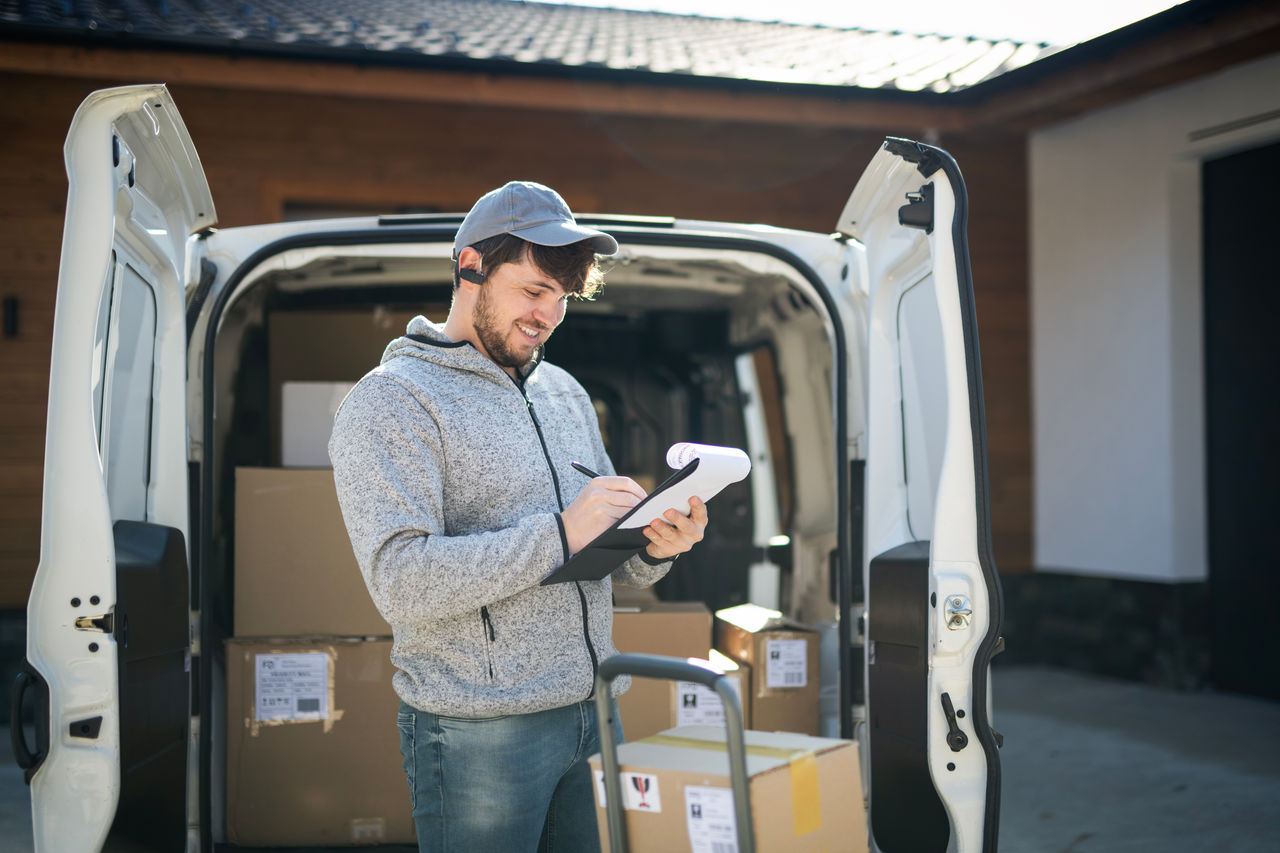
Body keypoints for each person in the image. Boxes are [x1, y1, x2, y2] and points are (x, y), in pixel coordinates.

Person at [328, 180, 709, 852]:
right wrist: (562, 531)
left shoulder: (565, 393)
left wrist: (655, 546)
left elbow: (599, 562)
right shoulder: (391, 402)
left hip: (594, 710)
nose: (549, 315)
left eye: (562, 299)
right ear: (471, 265)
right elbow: (401, 581)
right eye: (534, 290)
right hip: (481, 733)